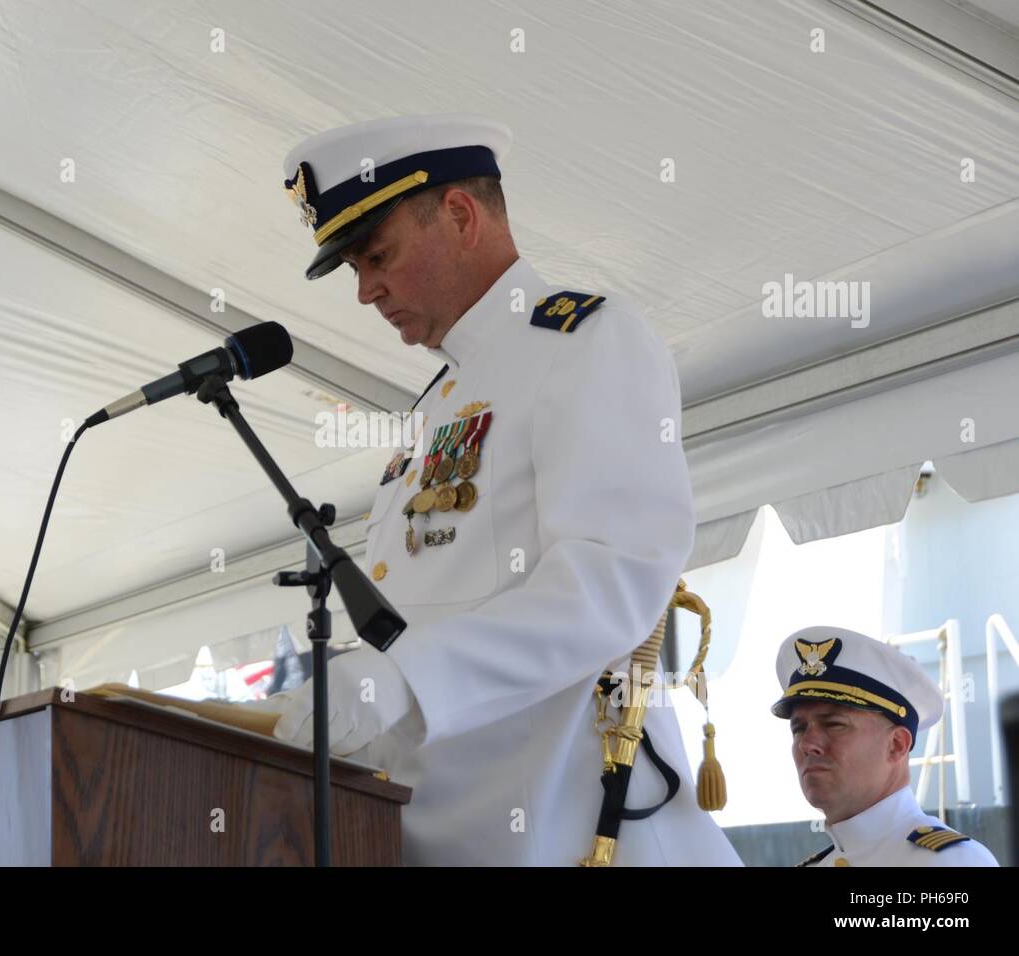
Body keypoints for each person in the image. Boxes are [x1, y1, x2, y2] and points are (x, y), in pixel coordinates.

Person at [265, 114, 740, 866]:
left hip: (568, 837)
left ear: (458, 214)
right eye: (354, 268)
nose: (365, 292)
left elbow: (612, 579)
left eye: (376, 255)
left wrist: (406, 678)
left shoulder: (585, 342)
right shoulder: (435, 408)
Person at [773, 625, 999, 866]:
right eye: (799, 729)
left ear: (897, 744)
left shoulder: (954, 862)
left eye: (834, 724)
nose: (807, 744)